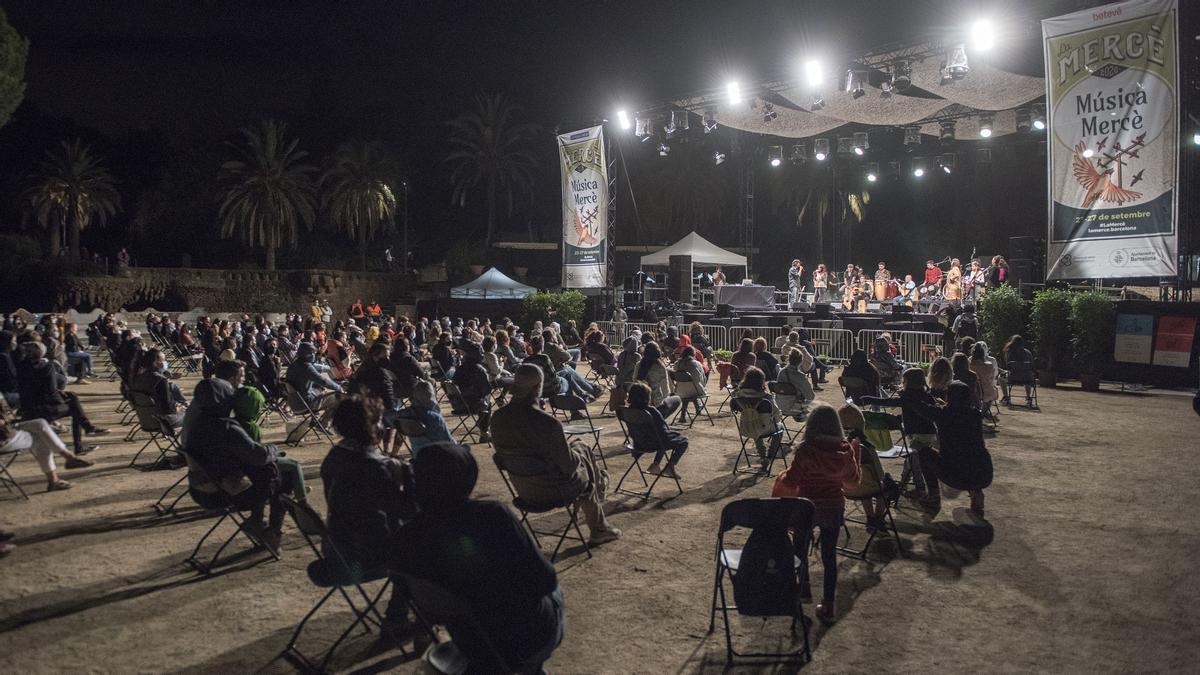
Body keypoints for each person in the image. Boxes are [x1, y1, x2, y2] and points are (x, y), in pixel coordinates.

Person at [390, 442, 565, 672]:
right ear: (466, 477)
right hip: (527, 639)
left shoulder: (406, 537)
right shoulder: (492, 516)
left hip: (473, 644)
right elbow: (545, 580)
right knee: (555, 591)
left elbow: (414, 595)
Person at [320, 395, 418, 638]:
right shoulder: (373, 467)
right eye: (378, 421)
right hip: (365, 553)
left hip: (337, 543)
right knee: (426, 548)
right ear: (371, 428)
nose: (383, 426)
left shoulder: (335, 455)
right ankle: (399, 618)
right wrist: (408, 476)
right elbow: (408, 510)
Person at [491, 365, 621, 545]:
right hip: (551, 489)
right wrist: (578, 454)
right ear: (538, 388)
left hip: (523, 488)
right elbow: (568, 467)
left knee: (580, 448)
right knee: (586, 466)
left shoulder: (497, 418)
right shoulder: (547, 423)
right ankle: (598, 522)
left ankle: (597, 488)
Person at [771, 404, 860, 625]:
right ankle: (829, 605)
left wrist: (782, 476)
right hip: (833, 506)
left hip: (806, 506)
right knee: (830, 557)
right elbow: (852, 482)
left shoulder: (806, 451)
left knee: (799, 549)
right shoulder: (845, 451)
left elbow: (791, 481)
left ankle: (803, 588)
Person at [184, 365, 288, 551]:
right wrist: (274, 448)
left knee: (263, 470)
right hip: (220, 495)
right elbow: (258, 455)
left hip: (200, 487)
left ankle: (257, 522)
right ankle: (271, 530)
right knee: (281, 478)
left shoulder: (199, 423)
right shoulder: (226, 427)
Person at [911, 382, 994, 515]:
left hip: (955, 476)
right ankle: (976, 492)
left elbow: (921, 408)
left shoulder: (943, 414)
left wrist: (907, 394)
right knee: (970, 456)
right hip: (984, 474)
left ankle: (933, 495)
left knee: (925, 452)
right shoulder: (975, 414)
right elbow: (958, 413)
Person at [16, 342, 107, 455]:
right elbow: (51, 391)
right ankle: (81, 441)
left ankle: (88, 429)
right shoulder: (46, 366)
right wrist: (61, 399)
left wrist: (63, 395)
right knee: (74, 408)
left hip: (27, 405)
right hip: (42, 409)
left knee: (72, 396)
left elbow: (36, 387)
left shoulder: (21, 366)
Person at [0, 398, 93, 491]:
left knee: (40, 423)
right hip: (3, 438)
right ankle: (56, 477)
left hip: (8, 428)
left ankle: (69, 459)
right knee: (39, 436)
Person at [838, 404, 889, 529]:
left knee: (863, 480)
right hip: (867, 486)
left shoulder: (836, 445)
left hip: (844, 487)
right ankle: (877, 518)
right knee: (884, 486)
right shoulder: (867, 448)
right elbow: (879, 475)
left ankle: (870, 517)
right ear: (862, 424)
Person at [625, 382, 687, 479]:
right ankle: (670, 466)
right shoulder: (651, 411)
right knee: (683, 441)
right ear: (647, 397)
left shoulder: (627, 411)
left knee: (661, 436)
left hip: (638, 443)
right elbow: (664, 432)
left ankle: (655, 465)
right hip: (653, 444)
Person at [734, 366, 786, 467]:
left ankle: (762, 455)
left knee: (754, 423)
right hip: (764, 428)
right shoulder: (766, 397)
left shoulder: (738, 395)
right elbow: (777, 416)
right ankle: (770, 454)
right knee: (779, 427)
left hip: (746, 427)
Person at [131, 349, 188, 431]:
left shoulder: (139, 377)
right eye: (163, 360)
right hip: (164, 421)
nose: (165, 363)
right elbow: (168, 408)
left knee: (172, 387)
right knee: (194, 414)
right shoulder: (160, 380)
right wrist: (179, 408)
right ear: (156, 362)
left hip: (146, 420)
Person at [285, 342, 344, 420]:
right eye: (311, 353)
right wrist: (339, 388)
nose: (313, 355)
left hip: (293, 403)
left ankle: (315, 418)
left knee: (319, 390)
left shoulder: (293, 365)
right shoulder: (306, 367)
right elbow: (323, 381)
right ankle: (323, 422)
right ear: (305, 354)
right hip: (304, 404)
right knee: (335, 398)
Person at [450, 341, 493, 443]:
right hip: (471, 405)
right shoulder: (480, 369)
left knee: (483, 400)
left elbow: (455, 382)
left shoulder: (460, 368)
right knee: (487, 402)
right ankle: (484, 432)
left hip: (458, 403)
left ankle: (482, 426)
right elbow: (487, 389)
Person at [635, 341, 680, 419]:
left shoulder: (638, 365)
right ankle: (660, 419)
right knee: (677, 399)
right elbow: (665, 390)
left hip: (639, 402)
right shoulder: (660, 367)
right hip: (657, 404)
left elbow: (634, 380)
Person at [671, 346, 708, 424]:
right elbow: (701, 380)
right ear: (693, 354)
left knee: (687, 390)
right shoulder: (696, 364)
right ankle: (698, 408)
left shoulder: (677, 363)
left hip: (679, 391)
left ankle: (683, 415)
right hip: (695, 390)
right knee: (693, 388)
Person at [776, 347, 816, 412]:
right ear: (800, 361)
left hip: (779, 405)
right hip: (794, 406)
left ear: (789, 359)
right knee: (815, 406)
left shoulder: (781, 372)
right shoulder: (801, 377)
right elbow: (811, 396)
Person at [1002, 335, 1035, 404]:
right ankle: (1028, 397)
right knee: (1027, 373)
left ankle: (1006, 396)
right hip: (1027, 378)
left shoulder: (1009, 352)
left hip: (1013, 377)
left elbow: (1008, 366)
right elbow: (1032, 366)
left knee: (1000, 378)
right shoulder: (1027, 352)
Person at [970, 342, 999, 408]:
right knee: (993, 388)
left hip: (973, 393)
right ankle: (985, 410)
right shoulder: (990, 365)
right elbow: (994, 375)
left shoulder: (968, 364)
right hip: (987, 392)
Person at [0, 330, 20, 408]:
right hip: (6, 394)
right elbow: (11, 379)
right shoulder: (3, 357)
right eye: (13, 341)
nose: (15, 343)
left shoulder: (6, 354)